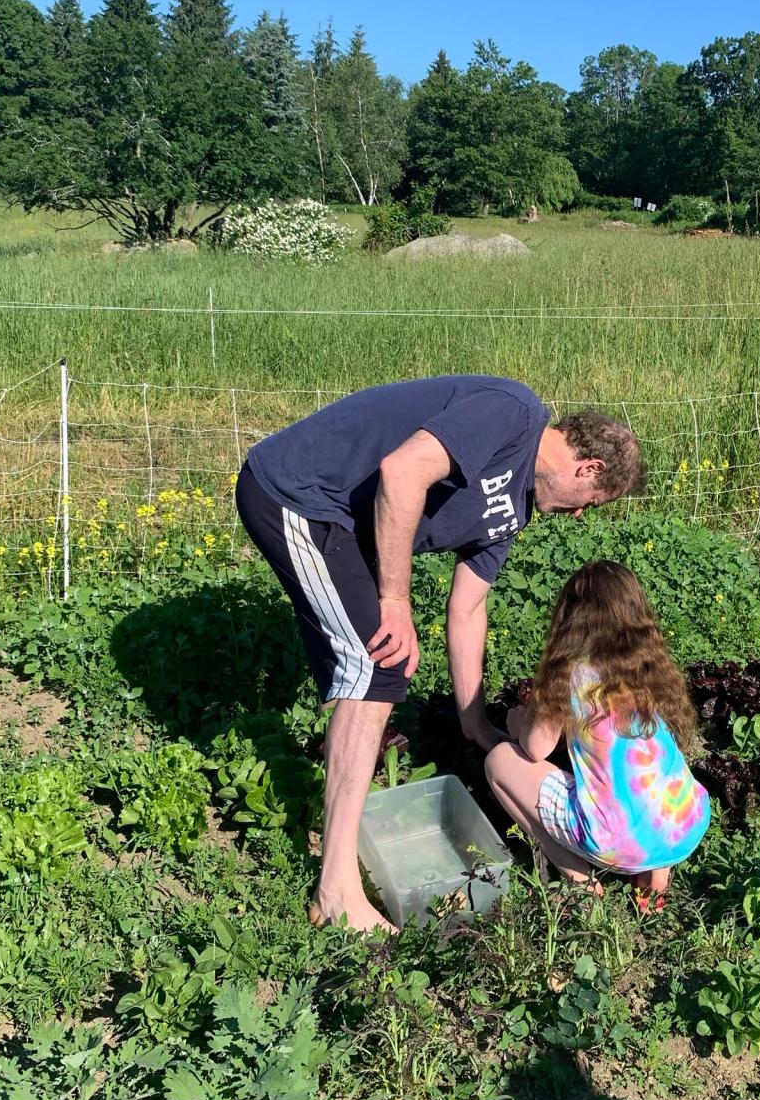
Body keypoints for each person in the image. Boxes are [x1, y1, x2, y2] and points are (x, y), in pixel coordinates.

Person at [235, 375, 646, 933]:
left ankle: (338, 864)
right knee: (376, 664)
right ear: (589, 469)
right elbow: (402, 471)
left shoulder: (513, 512)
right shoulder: (513, 414)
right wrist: (394, 599)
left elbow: (468, 609)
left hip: (341, 525)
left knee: (373, 667)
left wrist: (474, 721)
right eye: (591, 504)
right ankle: (334, 892)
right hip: (300, 494)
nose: (578, 515)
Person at [485, 560, 710, 908]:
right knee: (651, 773)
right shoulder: (650, 667)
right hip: (684, 822)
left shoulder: (573, 675)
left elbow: (536, 748)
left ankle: (579, 878)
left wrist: (516, 724)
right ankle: (656, 875)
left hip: (614, 840)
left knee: (499, 762)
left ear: (569, 621)